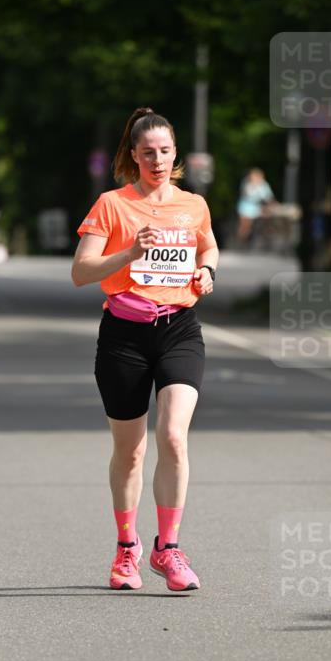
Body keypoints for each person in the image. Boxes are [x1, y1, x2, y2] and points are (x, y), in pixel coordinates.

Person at [72, 106, 219, 592]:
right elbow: (81, 272)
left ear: (176, 155)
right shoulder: (111, 205)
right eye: (148, 152)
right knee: (131, 451)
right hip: (124, 334)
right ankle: (126, 547)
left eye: (165, 151)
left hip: (179, 329)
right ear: (133, 156)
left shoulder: (193, 205)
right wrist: (130, 253)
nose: (157, 160)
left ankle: (168, 548)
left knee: (173, 436)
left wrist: (207, 270)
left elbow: (208, 245)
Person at [237, 168, 274, 245]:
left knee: (269, 216)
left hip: (258, 208)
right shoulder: (246, 184)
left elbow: (268, 198)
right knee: (245, 224)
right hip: (246, 207)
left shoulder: (264, 185)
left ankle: (265, 235)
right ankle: (242, 240)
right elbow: (246, 194)